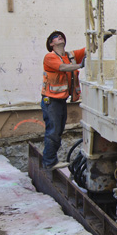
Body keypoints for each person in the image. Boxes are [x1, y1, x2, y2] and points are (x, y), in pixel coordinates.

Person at [41, 31, 85, 169]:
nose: (59, 37)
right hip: (51, 100)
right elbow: (62, 67)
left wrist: (102, 37)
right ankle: (49, 162)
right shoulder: (50, 57)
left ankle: (51, 160)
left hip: (60, 100)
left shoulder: (70, 55)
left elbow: (88, 49)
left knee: (58, 130)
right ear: (51, 44)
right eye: (55, 37)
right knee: (53, 131)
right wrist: (79, 66)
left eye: (61, 36)